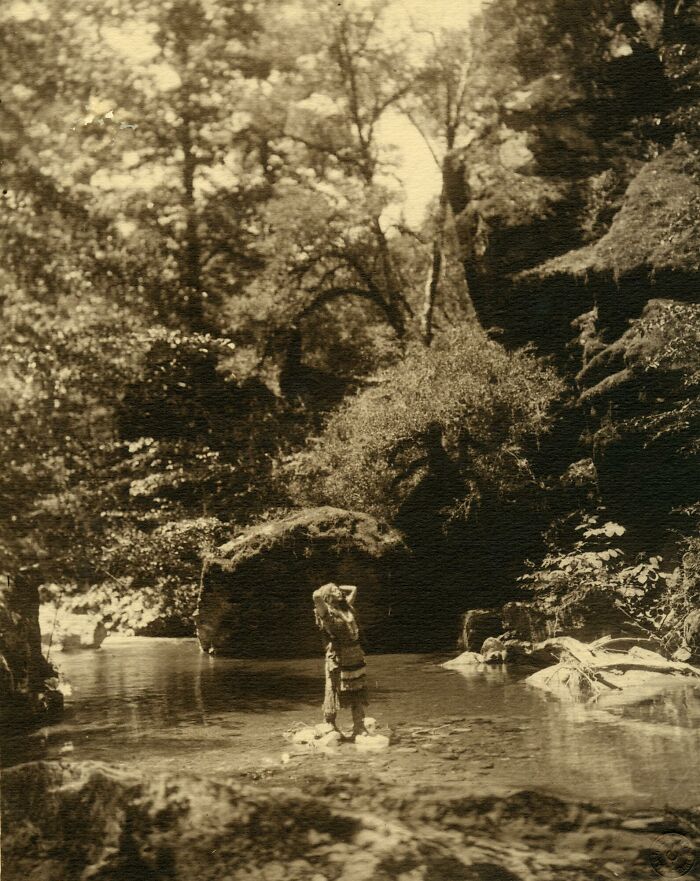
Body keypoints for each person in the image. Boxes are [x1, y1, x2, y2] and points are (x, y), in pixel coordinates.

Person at [312, 582, 368, 738]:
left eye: (339, 590)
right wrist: (326, 589)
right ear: (328, 596)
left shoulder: (346, 607)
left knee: (357, 689)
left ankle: (359, 725)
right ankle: (329, 724)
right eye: (335, 591)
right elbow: (316, 595)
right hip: (337, 657)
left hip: (355, 655)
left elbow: (355, 588)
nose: (339, 592)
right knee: (334, 689)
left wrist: (337, 589)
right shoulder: (326, 612)